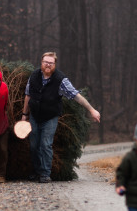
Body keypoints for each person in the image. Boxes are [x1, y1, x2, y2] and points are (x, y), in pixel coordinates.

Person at [20, 52, 101, 183]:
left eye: (51, 63)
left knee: (45, 144)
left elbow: (76, 95)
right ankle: (36, 171)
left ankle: (45, 174)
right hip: (34, 116)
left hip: (50, 117)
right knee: (34, 145)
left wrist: (91, 109)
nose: (47, 65)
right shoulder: (34, 76)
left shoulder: (61, 80)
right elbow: (28, 95)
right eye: (45, 62)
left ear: (54, 64)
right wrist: (24, 115)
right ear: (41, 62)